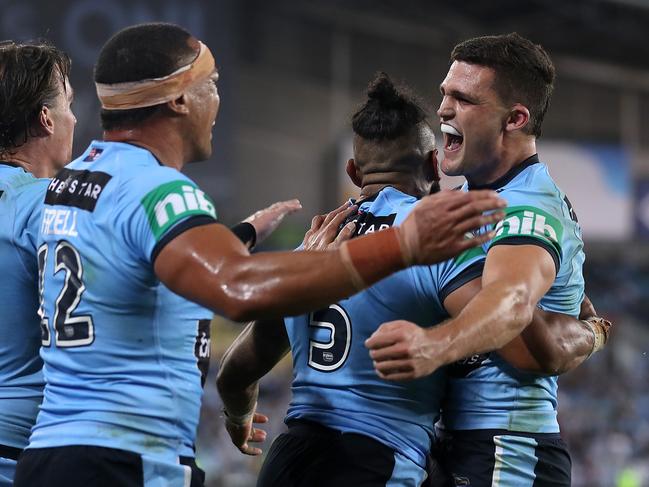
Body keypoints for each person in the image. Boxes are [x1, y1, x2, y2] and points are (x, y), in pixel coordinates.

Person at [13, 23, 506, 487]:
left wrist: (255, 239)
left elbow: (156, 266)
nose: (218, 101)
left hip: (53, 450)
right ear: (182, 99)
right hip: (125, 459)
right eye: (213, 84)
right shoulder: (160, 190)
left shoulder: (70, 184)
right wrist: (402, 246)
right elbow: (239, 288)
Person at [216, 73, 609, 487]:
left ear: (353, 171)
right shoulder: (429, 246)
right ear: (432, 165)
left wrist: (239, 418)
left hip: (287, 461)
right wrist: (590, 330)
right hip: (374, 463)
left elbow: (234, 374)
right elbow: (522, 342)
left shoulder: (315, 249)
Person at [366, 33, 609, 486]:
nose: (443, 109)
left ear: (515, 119)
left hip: (504, 447)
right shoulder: (477, 199)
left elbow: (511, 303)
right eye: (444, 93)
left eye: (463, 98)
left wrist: (435, 346)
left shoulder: (527, 207)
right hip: (456, 441)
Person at [0, 40, 76, 486]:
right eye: (68, 102)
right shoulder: (50, 204)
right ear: (46, 119)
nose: (74, 117)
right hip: (24, 450)